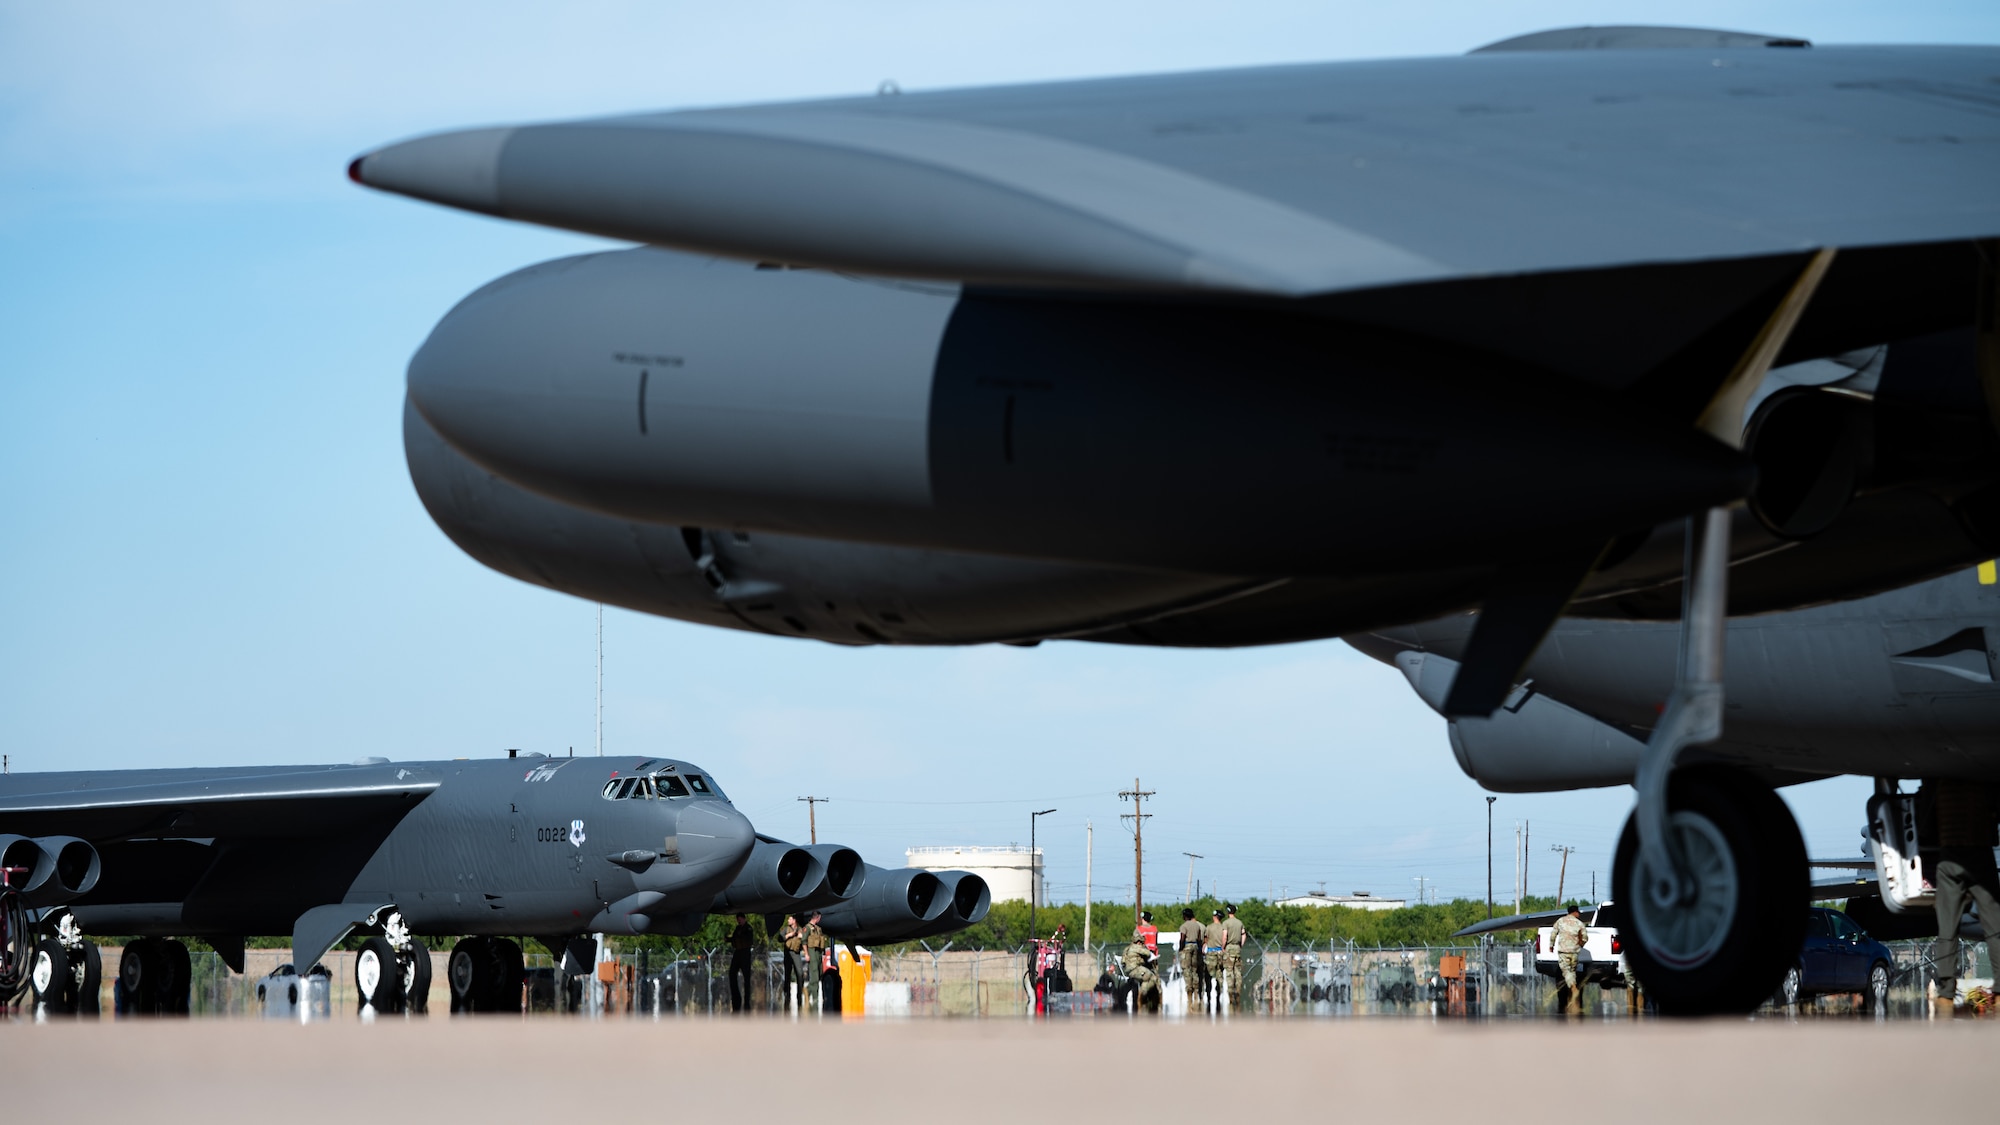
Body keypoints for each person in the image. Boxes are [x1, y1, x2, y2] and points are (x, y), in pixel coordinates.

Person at [1923, 779, 2000, 1016]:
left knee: (1947, 929)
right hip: (1980, 852)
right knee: (1995, 927)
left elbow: (1926, 824)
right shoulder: (1981, 778)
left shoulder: (1939, 782)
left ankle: (1946, 994)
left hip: (1949, 855)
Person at [1552, 903, 1588, 1014]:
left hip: (1564, 952)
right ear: (1575, 912)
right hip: (1574, 952)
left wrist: (1551, 944)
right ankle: (1573, 1001)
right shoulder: (1580, 923)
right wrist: (1580, 944)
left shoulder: (1560, 921)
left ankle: (1573, 988)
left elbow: (1553, 933)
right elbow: (1585, 938)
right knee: (1572, 972)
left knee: (1566, 971)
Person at [805, 912, 838, 1012]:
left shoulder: (818, 929)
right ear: (817, 918)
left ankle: (807, 991)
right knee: (814, 977)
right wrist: (806, 954)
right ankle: (814, 998)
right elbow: (803, 941)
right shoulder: (807, 928)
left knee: (819, 975)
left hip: (818, 954)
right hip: (812, 953)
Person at [1177, 908, 1209, 1012]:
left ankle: (1189, 996)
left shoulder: (1183, 926)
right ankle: (1197, 995)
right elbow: (1200, 939)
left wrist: (1180, 949)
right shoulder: (1197, 926)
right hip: (1196, 947)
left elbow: (1182, 939)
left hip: (1187, 948)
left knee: (1187, 971)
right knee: (1195, 971)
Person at [1121, 932, 1161, 1012]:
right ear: (1139, 942)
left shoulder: (1127, 948)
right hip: (1135, 969)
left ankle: (1143, 996)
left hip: (1131, 970)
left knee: (1149, 977)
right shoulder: (1136, 947)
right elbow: (1148, 953)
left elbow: (1123, 962)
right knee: (1150, 976)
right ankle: (1142, 997)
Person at [1221, 903, 1248, 1006]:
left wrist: (1223, 947)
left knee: (1229, 973)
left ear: (1228, 912)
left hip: (1229, 948)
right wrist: (1240, 945)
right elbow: (1244, 934)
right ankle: (1238, 994)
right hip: (1237, 948)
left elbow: (1224, 936)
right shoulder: (1240, 923)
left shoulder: (1226, 923)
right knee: (1238, 973)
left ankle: (1231, 996)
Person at [727, 913, 755, 1013]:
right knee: (732, 973)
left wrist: (739, 937)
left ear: (744, 919)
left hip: (745, 953)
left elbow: (748, 940)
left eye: (740, 919)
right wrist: (729, 939)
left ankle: (747, 1001)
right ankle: (736, 998)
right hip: (738, 952)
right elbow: (735, 938)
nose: (739, 921)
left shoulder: (748, 929)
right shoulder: (737, 928)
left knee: (746, 978)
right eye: (737, 920)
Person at [779, 914, 807, 1011]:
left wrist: (801, 936)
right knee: (787, 975)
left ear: (794, 920)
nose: (788, 921)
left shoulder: (800, 929)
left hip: (796, 953)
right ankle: (787, 994)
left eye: (790, 919)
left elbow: (805, 940)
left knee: (799, 974)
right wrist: (790, 935)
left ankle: (799, 994)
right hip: (787, 953)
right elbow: (780, 938)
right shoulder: (786, 929)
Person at [1202, 909, 1228, 1010]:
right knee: (1219, 975)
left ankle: (1208, 996)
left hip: (1211, 953)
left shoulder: (1209, 927)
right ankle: (1218, 996)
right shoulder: (1223, 928)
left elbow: (1206, 939)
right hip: (1220, 953)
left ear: (1214, 917)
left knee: (1208, 975)